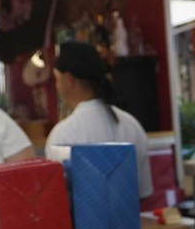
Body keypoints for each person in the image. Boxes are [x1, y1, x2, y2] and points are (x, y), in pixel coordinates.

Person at [44, 41, 152, 200]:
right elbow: (144, 193)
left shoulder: (63, 135)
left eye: (57, 79)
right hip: (129, 223)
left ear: (69, 79)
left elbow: (59, 202)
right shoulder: (131, 124)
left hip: (81, 225)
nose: (57, 87)